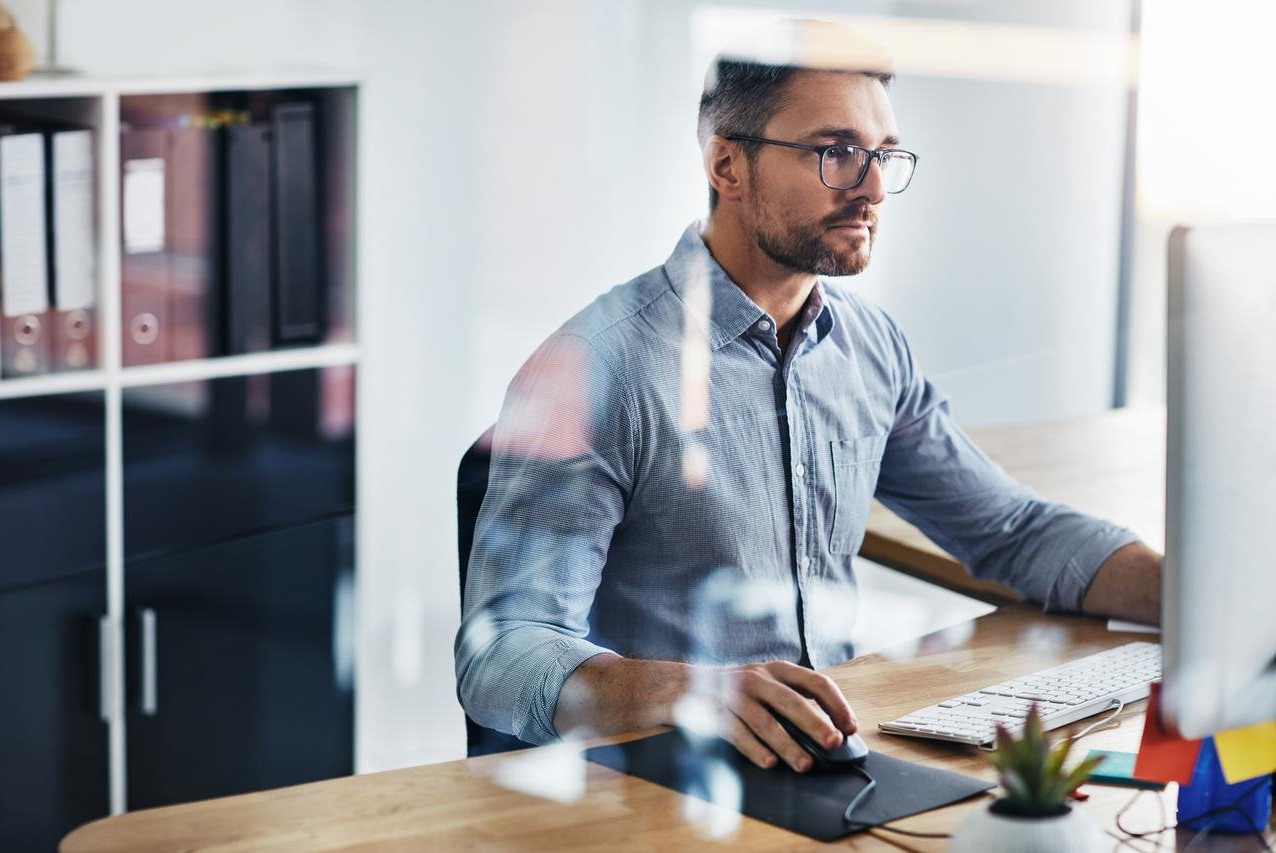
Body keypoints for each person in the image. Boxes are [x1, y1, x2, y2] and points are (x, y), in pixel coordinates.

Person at [454, 19, 1161, 774]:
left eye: (883, 155)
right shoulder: (596, 368)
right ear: (728, 165)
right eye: (837, 153)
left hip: (831, 765)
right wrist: (693, 691)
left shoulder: (868, 348)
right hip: (658, 789)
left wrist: (1204, 599)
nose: (874, 188)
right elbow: (502, 653)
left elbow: (1013, 531)